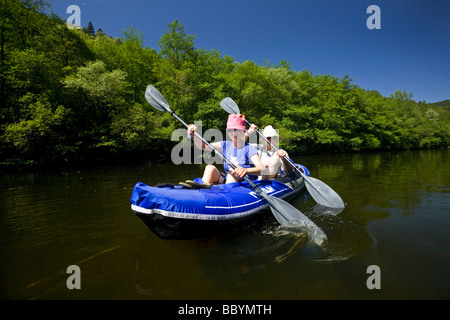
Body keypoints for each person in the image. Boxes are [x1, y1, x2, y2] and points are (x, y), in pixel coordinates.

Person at [187, 114, 265, 185]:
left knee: (233, 170)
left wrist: (246, 170)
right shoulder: (225, 145)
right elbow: (203, 147)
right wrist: (195, 135)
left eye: (237, 130)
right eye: (231, 130)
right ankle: (204, 193)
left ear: (242, 131)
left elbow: (262, 169)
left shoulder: (249, 149)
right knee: (210, 168)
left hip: (244, 184)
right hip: (228, 180)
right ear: (227, 132)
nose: (234, 133)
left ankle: (225, 194)